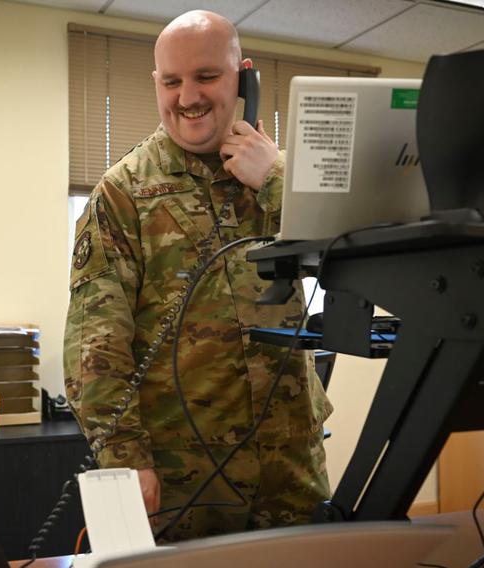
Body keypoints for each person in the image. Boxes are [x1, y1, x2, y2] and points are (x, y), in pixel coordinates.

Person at [63, 10, 332, 541]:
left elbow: (362, 258)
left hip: (290, 463)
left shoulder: (289, 177)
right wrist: (124, 457)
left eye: (206, 76)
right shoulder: (124, 191)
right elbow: (95, 342)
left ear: (244, 77)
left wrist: (277, 181)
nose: (188, 97)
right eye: (172, 81)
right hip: (181, 474)